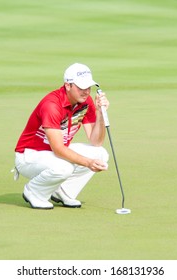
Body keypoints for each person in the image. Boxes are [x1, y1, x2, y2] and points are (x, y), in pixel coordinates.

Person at [13, 63, 110, 210]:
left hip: (52, 153)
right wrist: (88, 162)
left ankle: (62, 192)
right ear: (68, 85)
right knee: (64, 167)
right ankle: (34, 192)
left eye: (88, 87)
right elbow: (58, 149)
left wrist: (100, 113)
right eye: (81, 87)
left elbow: (96, 141)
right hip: (30, 155)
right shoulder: (52, 105)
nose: (86, 92)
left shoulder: (85, 102)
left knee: (100, 153)